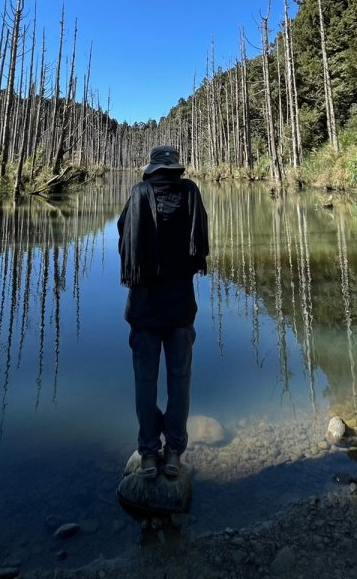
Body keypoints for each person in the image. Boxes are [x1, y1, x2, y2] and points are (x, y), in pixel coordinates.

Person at [118, 145, 208, 480]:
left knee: (145, 383)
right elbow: (199, 243)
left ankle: (147, 455)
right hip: (181, 307)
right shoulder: (191, 193)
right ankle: (173, 453)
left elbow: (123, 234)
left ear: (152, 170)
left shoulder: (139, 194)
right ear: (176, 169)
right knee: (180, 382)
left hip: (144, 307)